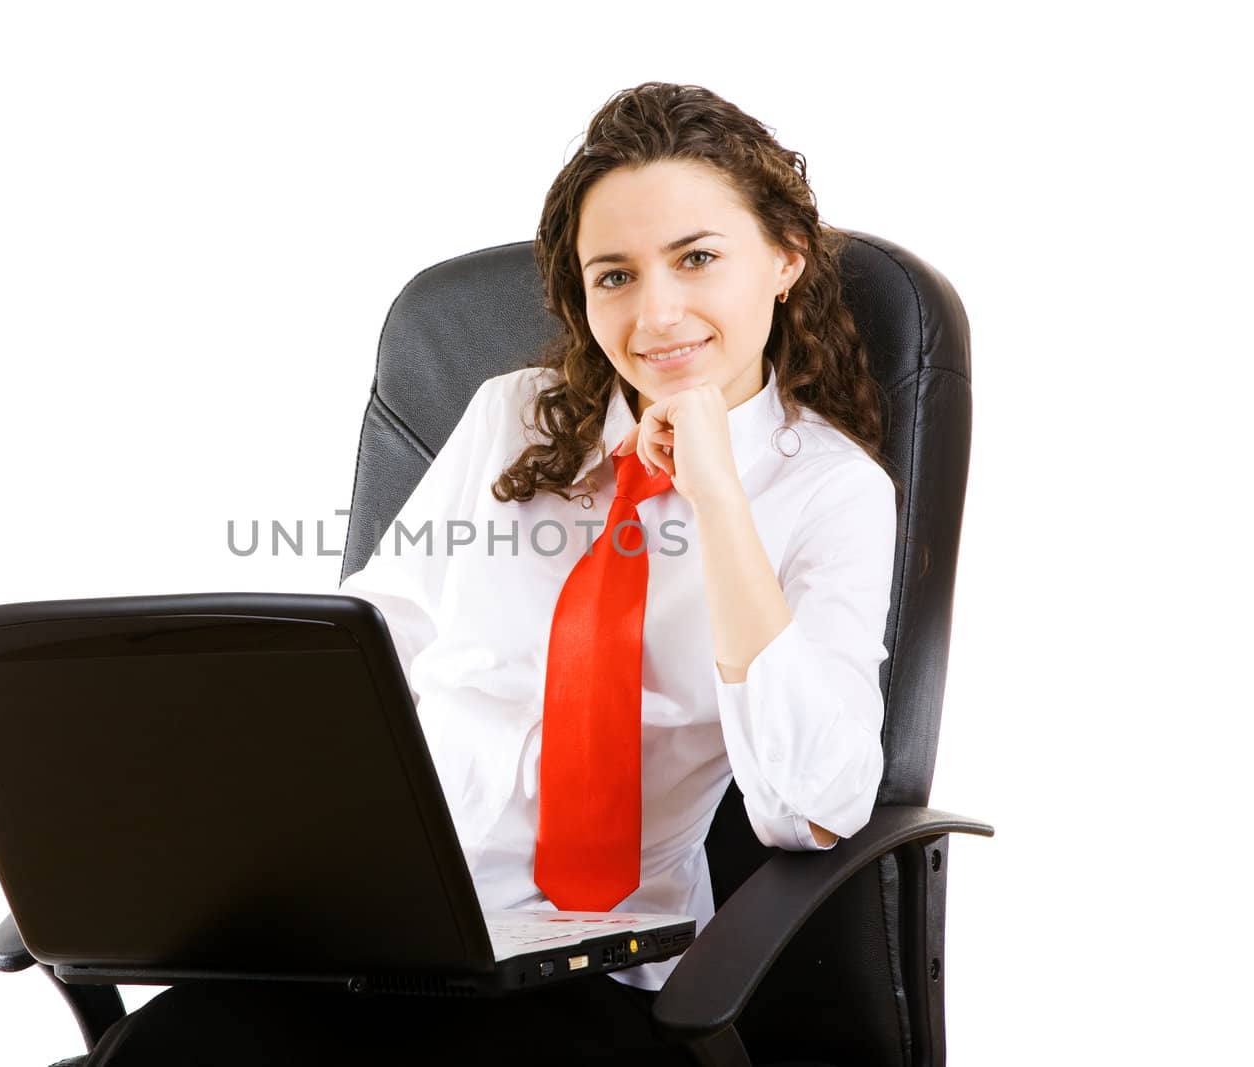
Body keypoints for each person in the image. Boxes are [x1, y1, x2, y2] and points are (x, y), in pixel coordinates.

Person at [86, 80, 898, 1066]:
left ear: (782, 257)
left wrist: (720, 497)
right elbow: (359, 647)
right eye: (614, 275)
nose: (656, 311)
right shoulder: (511, 418)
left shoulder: (829, 493)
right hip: (378, 931)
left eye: (696, 258)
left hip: (585, 974)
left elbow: (812, 805)